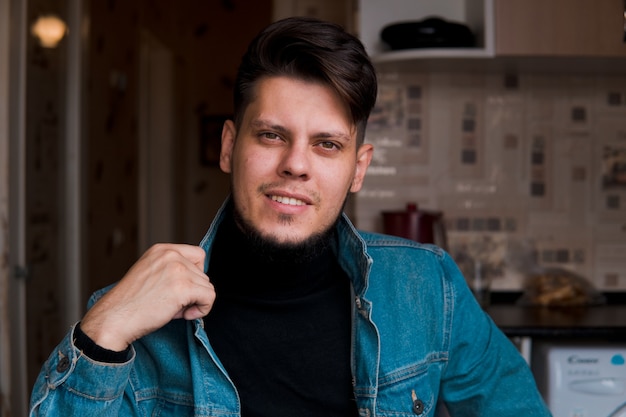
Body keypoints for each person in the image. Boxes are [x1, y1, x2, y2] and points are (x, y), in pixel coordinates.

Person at [29, 16, 551, 417]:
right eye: (272, 135)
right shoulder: (129, 321)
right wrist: (103, 328)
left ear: (358, 169)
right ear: (230, 146)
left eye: (327, 145)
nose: (295, 165)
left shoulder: (427, 287)